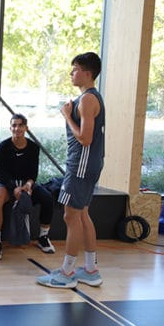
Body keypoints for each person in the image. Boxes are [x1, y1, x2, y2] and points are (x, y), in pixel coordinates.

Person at [37, 52, 105, 289]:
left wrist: (67, 116)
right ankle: (91, 270)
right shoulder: (89, 98)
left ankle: (67, 273)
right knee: (82, 214)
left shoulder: (87, 100)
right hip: (87, 164)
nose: (71, 73)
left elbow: (85, 138)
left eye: (75, 69)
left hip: (81, 166)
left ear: (87, 73)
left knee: (71, 215)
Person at [0, 113, 55, 261]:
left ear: (26, 128)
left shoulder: (33, 147)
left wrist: (28, 185)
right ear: (10, 128)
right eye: (14, 125)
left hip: (25, 183)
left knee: (47, 198)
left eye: (20, 125)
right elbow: (0, 173)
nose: (17, 128)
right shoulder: (3, 146)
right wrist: (13, 188)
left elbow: (33, 173)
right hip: (7, 183)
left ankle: (43, 237)